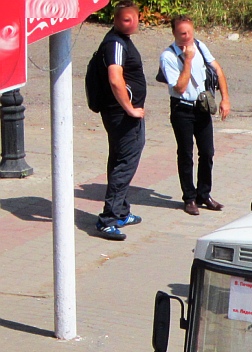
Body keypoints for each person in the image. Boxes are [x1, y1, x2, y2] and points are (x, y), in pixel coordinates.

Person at [159, 15, 231, 216]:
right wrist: (188, 60)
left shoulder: (199, 45)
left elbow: (218, 70)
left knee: (207, 152)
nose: (188, 36)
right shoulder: (168, 56)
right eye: (183, 33)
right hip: (182, 109)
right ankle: (189, 198)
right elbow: (180, 87)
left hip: (201, 107)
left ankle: (204, 194)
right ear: (174, 33)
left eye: (190, 32)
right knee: (185, 153)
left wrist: (225, 98)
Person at [94, 1, 146, 242]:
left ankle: (122, 211)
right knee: (124, 163)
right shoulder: (115, 42)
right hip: (121, 115)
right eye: (125, 19)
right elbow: (115, 79)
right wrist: (130, 109)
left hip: (121, 114)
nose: (131, 23)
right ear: (115, 20)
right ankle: (109, 219)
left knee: (119, 160)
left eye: (133, 18)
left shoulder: (121, 40)